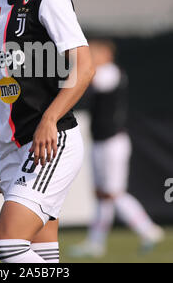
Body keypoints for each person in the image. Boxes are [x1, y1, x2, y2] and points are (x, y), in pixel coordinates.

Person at [0, 0, 95, 263]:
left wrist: (49, 119)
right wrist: (1, 154)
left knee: (9, 245)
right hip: (16, 148)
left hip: (50, 142)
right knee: (41, 256)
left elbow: (85, 67)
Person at [67, 39, 164, 258]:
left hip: (113, 142)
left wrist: (78, 63)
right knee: (102, 194)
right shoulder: (100, 72)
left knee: (114, 193)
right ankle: (96, 243)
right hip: (100, 140)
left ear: (106, 56)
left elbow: (87, 81)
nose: (90, 56)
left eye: (93, 53)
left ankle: (148, 229)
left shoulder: (110, 72)